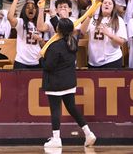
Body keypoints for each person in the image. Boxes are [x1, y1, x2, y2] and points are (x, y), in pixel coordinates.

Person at [41, 18, 97, 148]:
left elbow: (48, 66)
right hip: (69, 82)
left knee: (55, 110)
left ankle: (56, 138)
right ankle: (88, 133)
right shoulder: (73, 41)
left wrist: (41, 59)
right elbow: (62, 29)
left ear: (58, 30)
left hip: (55, 83)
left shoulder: (54, 46)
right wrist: (54, 17)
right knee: (72, 108)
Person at [79, 0, 127, 68]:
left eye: (110, 3)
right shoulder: (93, 18)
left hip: (112, 60)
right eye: (105, 3)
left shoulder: (118, 20)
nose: (107, 4)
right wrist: (89, 16)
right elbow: (81, 32)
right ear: (101, 6)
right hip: (93, 61)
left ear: (113, 8)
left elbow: (121, 42)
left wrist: (108, 34)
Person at [7, 0, 44, 69]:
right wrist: (15, 0)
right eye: (28, 7)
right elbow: (10, 17)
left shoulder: (40, 24)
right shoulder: (21, 22)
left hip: (36, 61)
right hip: (21, 62)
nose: (31, 9)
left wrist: (40, 39)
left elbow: (44, 46)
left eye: (33, 7)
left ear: (36, 10)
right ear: (24, 10)